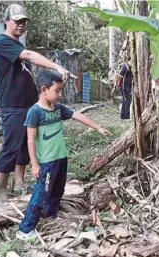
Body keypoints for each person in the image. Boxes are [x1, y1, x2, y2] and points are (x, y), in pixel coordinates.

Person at [16, 70, 109, 240]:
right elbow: (30, 141)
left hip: (61, 158)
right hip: (47, 162)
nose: (59, 94)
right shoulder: (34, 112)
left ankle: (51, 216)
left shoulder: (58, 109)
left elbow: (77, 115)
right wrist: (35, 165)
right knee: (41, 193)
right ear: (44, 90)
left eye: (60, 90)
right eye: (57, 90)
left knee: (58, 190)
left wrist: (97, 127)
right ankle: (25, 229)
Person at [0, 4, 71, 200]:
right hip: (12, 103)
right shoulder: (2, 42)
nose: (21, 25)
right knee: (11, 145)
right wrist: (56, 66)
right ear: (6, 21)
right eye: (17, 21)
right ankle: (2, 188)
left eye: (23, 22)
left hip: (28, 102)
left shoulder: (18, 45)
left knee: (26, 145)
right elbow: (29, 56)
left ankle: (19, 182)